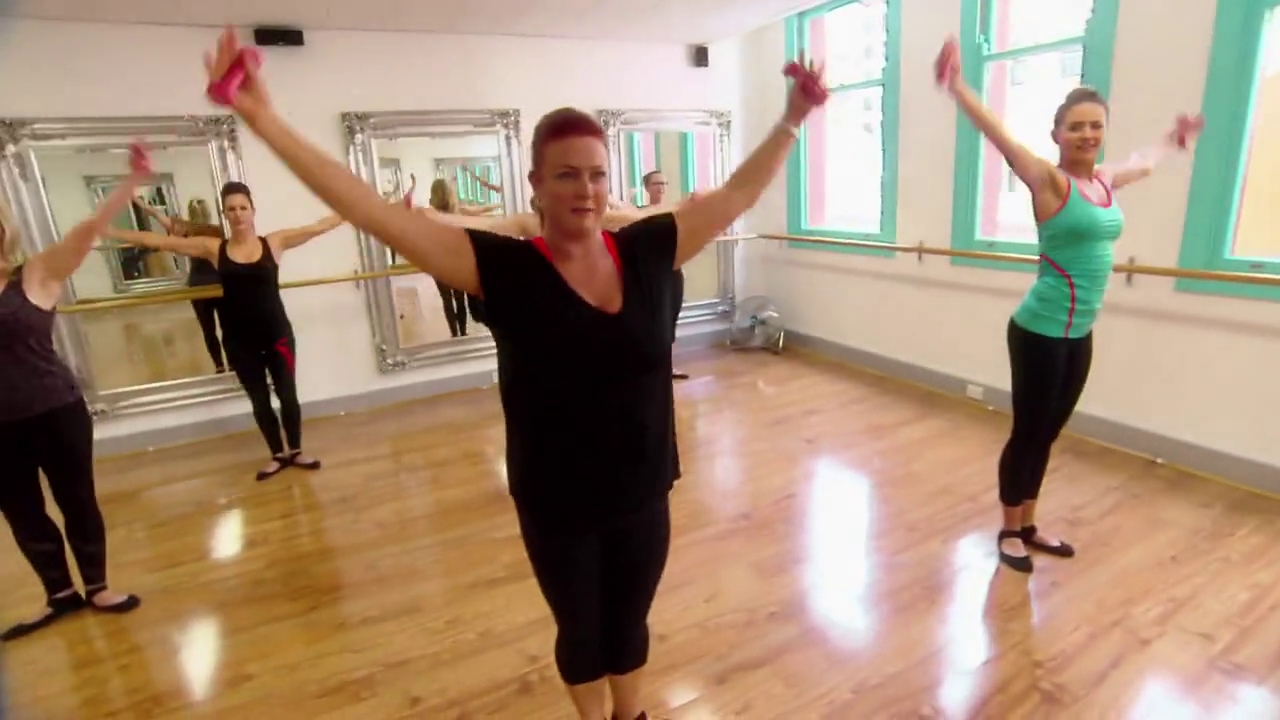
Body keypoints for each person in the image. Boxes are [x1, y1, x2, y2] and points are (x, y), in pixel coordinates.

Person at [200, 27, 827, 719]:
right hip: (557, 498)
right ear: (537, 185)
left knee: (631, 620)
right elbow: (368, 210)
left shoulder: (650, 250)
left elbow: (737, 192)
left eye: (596, 174)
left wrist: (793, 117)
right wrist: (263, 118)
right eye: (566, 174)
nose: (585, 189)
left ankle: (632, 714)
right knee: (582, 630)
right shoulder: (505, 270)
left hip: (643, 486)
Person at [936, 37, 1204, 574]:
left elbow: (1142, 164)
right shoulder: (1049, 180)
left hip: (1079, 332)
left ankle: (1029, 525)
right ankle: (1009, 529)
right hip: (1039, 330)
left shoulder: (1104, 182)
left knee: (1049, 432)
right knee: (1028, 432)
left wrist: (1171, 141)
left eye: (1095, 126)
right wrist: (958, 87)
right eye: (1076, 126)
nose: (1087, 134)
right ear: (1057, 134)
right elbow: (1000, 137)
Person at [0, 146, 149, 642]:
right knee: (22, 512)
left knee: (76, 499)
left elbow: (86, 235)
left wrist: (129, 185)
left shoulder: (33, 274)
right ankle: (60, 594)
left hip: (56, 411)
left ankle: (98, 588)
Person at [104, 181, 343, 481]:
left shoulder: (274, 242)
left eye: (243, 207)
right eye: (232, 209)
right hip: (239, 342)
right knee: (259, 400)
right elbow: (161, 242)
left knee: (288, 395)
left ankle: (295, 450)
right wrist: (110, 231)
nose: (238, 214)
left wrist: (354, 212)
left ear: (253, 210)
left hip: (278, 335)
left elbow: (318, 227)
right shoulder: (214, 248)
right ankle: (277, 454)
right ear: (225, 214)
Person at [134, 196, 228, 373]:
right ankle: (231, 364)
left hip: (199, 286)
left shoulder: (187, 231)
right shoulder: (218, 231)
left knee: (208, 330)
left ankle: (219, 365)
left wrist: (139, 202)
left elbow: (157, 215)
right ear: (208, 213)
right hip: (218, 284)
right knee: (228, 328)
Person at [425, 178, 502, 337]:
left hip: (438, 261)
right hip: (456, 260)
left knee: (447, 300)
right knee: (459, 299)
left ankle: (455, 334)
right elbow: (480, 210)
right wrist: (500, 203)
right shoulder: (458, 211)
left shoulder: (430, 214)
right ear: (450, 193)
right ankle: (463, 333)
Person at [640, 170, 688, 380]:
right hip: (650, 275)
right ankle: (649, 368)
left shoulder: (675, 212)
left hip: (672, 272)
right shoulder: (639, 214)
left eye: (664, 183)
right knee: (653, 322)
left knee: (670, 320)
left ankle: (668, 367)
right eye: (656, 183)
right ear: (647, 188)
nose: (661, 187)